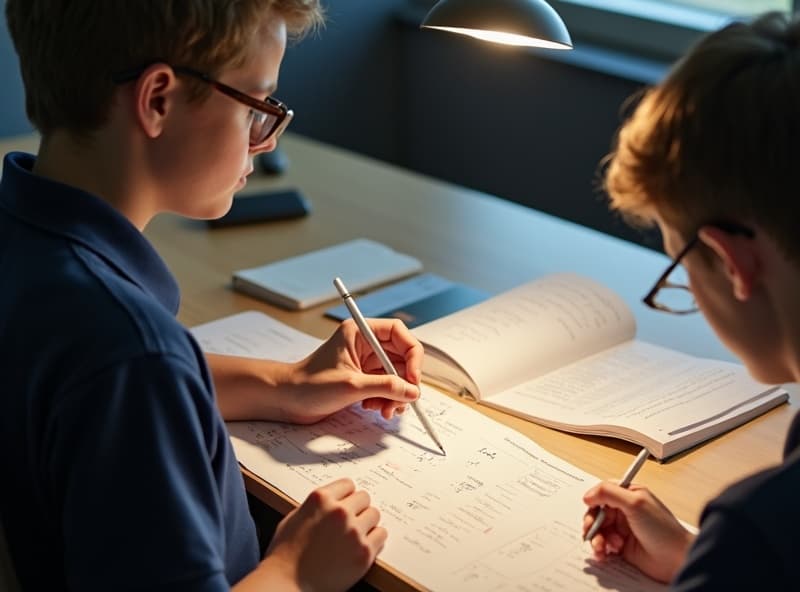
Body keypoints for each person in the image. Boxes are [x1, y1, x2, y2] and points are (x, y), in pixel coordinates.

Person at [0, 1, 424, 590]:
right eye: (257, 106)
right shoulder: (134, 357)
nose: (266, 142)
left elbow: (83, 387)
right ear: (158, 101)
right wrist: (296, 572)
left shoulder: (31, 250)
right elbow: (131, 377)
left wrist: (285, 385)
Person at [581, 10, 800, 589]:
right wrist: (706, 565)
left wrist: (731, 559)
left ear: (732, 263)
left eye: (678, 262)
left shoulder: (760, 526)